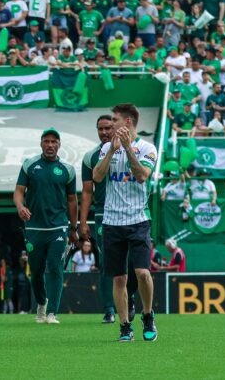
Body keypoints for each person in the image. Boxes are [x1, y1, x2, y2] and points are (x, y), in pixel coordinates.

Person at [92, 103, 158, 342]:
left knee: (142, 272)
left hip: (138, 219)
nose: (111, 125)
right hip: (111, 221)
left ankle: (148, 315)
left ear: (128, 122)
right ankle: (124, 326)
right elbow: (97, 177)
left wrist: (128, 149)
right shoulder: (107, 147)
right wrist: (112, 151)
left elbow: (141, 176)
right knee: (119, 277)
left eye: (115, 120)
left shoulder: (147, 148)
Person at [14, 127, 77, 325]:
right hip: (34, 228)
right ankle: (41, 303)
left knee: (55, 267)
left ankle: (52, 313)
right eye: (46, 141)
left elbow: (72, 200)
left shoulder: (68, 169)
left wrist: (73, 227)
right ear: (41, 144)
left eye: (54, 142)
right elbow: (18, 191)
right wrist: (20, 206)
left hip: (58, 227)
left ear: (59, 145)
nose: (50, 145)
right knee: (36, 271)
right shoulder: (30, 165)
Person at [80, 114, 119, 324]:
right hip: (104, 214)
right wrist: (83, 221)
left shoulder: (128, 151)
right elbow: (87, 192)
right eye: (100, 129)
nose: (104, 132)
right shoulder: (90, 156)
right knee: (106, 262)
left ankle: (128, 302)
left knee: (129, 262)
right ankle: (109, 309)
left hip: (128, 214)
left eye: (108, 128)